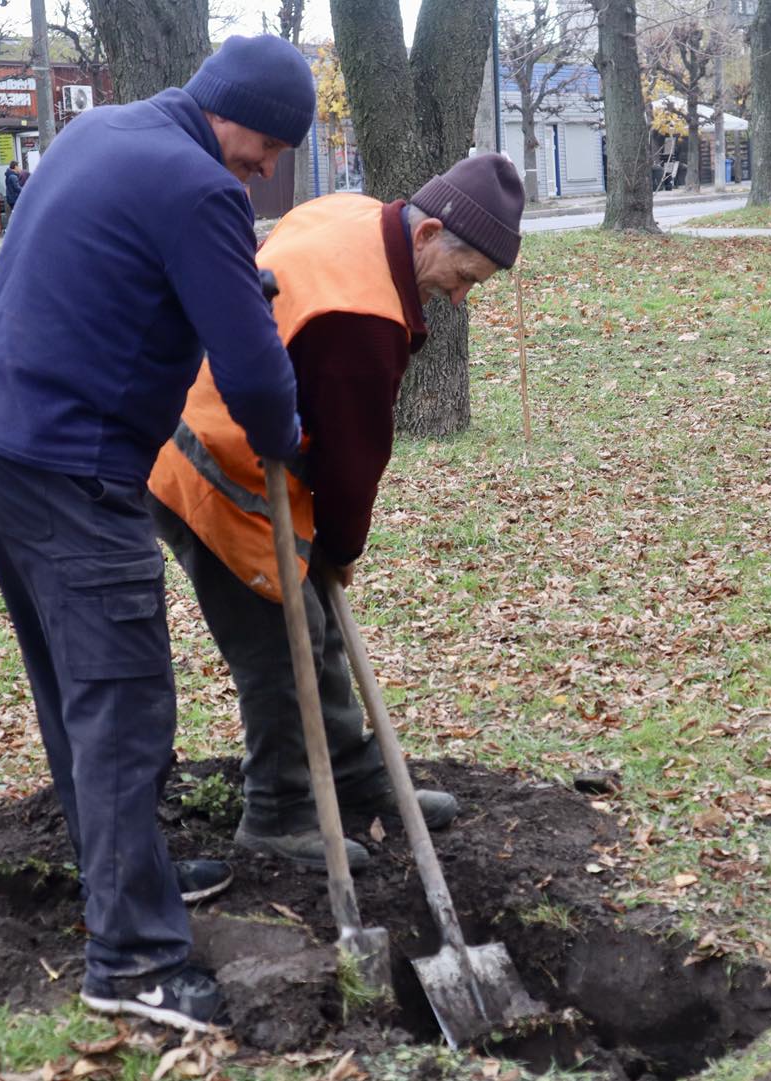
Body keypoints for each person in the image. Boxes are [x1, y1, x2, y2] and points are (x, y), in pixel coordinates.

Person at [0, 35, 315, 1033]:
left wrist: (227, 284)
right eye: (270, 144)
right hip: (76, 462)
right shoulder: (203, 190)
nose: (268, 166)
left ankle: (125, 874)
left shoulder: (99, 134)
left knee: (74, 689)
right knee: (122, 699)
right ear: (231, 114)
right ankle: (134, 959)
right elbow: (251, 377)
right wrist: (288, 439)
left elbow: (108, 268)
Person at [147, 154, 524, 871]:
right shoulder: (361, 314)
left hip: (238, 435)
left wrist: (325, 552)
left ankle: (347, 770)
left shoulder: (353, 212)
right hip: (216, 457)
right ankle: (282, 813)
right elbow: (353, 463)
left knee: (312, 626)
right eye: (464, 276)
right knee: (279, 638)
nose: (458, 300)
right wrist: (342, 548)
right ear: (429, 233)